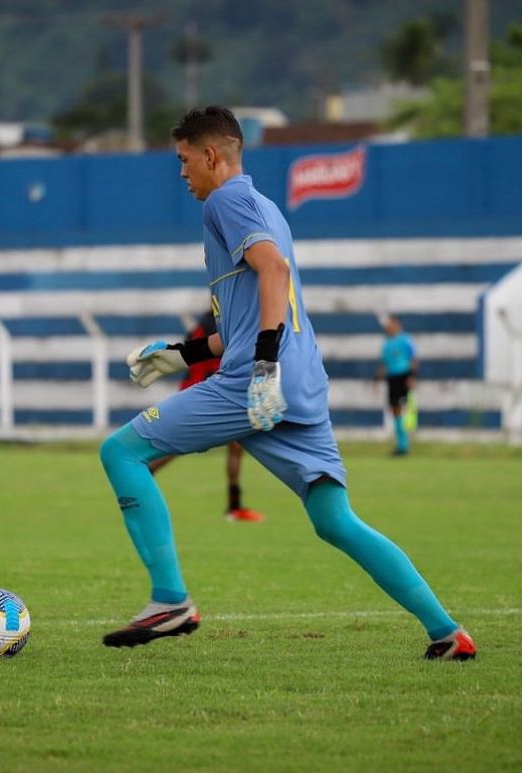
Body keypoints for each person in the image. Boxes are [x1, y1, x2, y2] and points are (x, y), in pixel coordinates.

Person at [98, 106, 474, 661]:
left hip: (254, 383)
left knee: (122, 452)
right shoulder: (265, 206)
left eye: (183, 160)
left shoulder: (225, 202)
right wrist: (181, 354)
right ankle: (447, 632)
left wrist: (264, 366)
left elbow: (273, 273)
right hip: (299, 385)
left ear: (210, 156)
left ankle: (170, 599)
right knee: (335, 520)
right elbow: (248, 317)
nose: (181, 173)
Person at [147, 311, 265, 523]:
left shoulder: (207, 323)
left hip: (203, 389)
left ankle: (234, 506)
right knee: (179, 445)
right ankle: (142, 475)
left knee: (235, 446)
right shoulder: (225, 324)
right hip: (208, 392)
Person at [376, 316, 419, 456]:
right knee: (394, 410)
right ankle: (400, 445)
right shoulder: (387, 342)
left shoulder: (405, 340)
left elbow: (413, 358)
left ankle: (404, 446)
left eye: (392, 324)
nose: (389, 327)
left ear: (398, 325)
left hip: (403, 376)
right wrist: (377, 379)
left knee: (402, 409)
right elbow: (384, 362)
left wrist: (412, 377)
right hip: (392, 377)